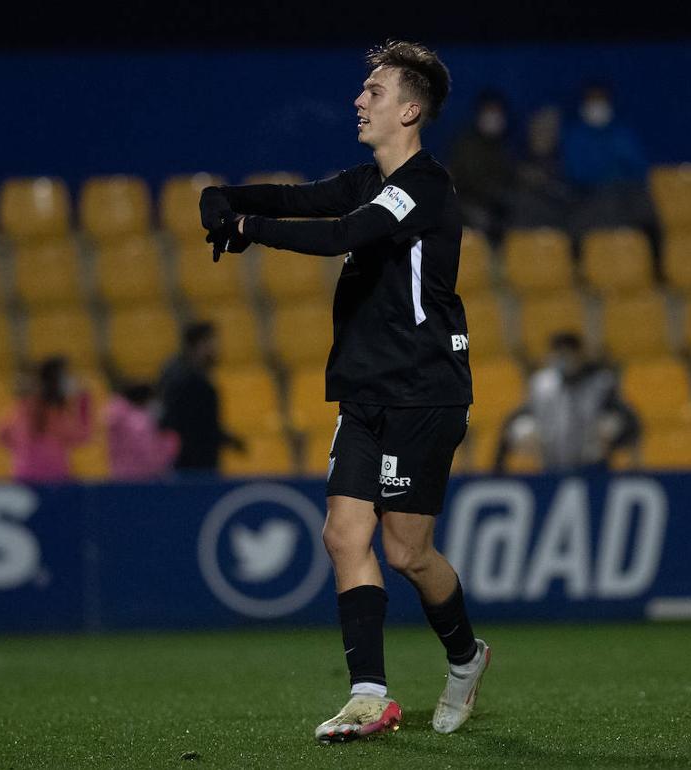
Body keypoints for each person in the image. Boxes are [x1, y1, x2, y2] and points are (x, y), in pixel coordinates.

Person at [200, 40, 489, 742]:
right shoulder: (367, 178)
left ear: (411, 109)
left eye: (376, 91)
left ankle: (465, 655)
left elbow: (339, 235)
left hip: (424, 391)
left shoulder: (426, 186)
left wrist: (245, 228)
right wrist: (223, 196)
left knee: (407, 553)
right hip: (363, 390)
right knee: (341, 535)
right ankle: (369, 695)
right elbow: (302, 198)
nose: (360, 100)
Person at [497, 332, 638, 472]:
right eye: (559, 354)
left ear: (579, 355)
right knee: (523, 428)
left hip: (593, 462)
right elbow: (512, 422)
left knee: (609, 424)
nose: (564, 359)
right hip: (551, 459)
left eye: (568, 354)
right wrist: (499, 466)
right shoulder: (542, 383)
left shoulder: (600, 382)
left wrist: (613, 438)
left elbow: (630, 422)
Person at [560, 82, 656, 242]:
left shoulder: (623, 134)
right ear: (583, 105)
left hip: (626, 197)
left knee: (643, 204)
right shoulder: (574, 136)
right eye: (592, 101)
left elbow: (639, 170)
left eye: (601, 101)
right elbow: (576, 173)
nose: (597, 106)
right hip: (589, 198)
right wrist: (611, 175)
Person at [158, 322, 242, 472]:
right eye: (212, 343)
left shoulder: (180, 372)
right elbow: (196, 424)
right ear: (199, 344)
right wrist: (224, 438)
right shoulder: (186, 379)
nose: (216, 349)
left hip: (193, 458)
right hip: (192, 463)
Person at [0, 356, 92, 483]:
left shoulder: (25, 407)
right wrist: (83, 402)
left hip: (27, 476)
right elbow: (81, 436)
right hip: (52, 479)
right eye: (65, 377)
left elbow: (3, 432)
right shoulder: (52, 413)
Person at [449, 89, 516, 243]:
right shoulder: (465, 145)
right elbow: (463, 182)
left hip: (499, 211)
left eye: (497, 112)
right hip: (468, 207)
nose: (493, 117)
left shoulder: (507, 148)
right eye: (489, 111)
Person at [510, 105, 573, 229]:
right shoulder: (514, 163)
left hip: (557, 232)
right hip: (522, 232)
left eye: (550, 129)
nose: (544, 134)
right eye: (540, 128)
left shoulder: (566, 165)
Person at [105, 380, 179, 481]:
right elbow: (150, 457)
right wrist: (170, 442)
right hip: (141, 480)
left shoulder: (115, 415)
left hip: (119, 476)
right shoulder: (139, 424)